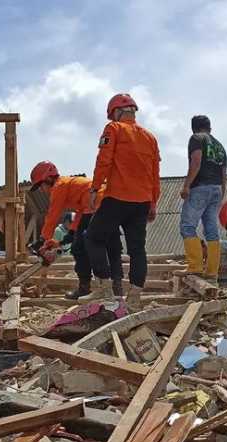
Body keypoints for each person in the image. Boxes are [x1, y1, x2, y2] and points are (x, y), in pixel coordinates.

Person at [85, 93, 161, 305]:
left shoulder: (114, 129)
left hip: (117, 197)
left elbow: (104, 160)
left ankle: (104, 288)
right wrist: (153, 202)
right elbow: (155, 173)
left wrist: (94, 188)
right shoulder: (150, 138)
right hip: (142, 202)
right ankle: (135, 296)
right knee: (137, 249)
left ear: (116, 112)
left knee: (93, 238)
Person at [29, 162, 115, 299]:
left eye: (41, 186)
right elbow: (81, 211)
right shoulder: (71, 187)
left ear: (49, 179)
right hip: (101, 205)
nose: (41, 190)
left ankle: (88, 288)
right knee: (84, 246)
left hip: (98, 205)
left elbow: (53, 214)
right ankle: (107, 287)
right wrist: (70, 235)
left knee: (80, 248)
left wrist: (42, 240)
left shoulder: (59, 186)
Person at [180, 115, 227, 280]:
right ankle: (212, 272)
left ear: (193, 127)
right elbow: (223, 173)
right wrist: (222, 194)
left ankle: (195, 267)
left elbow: (196, 161)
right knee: (211, 230)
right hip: (216, 189)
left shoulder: (196, 138)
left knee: (187, 226)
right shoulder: (220, 146)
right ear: (210, 127)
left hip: (200, 187)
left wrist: (186, 185)